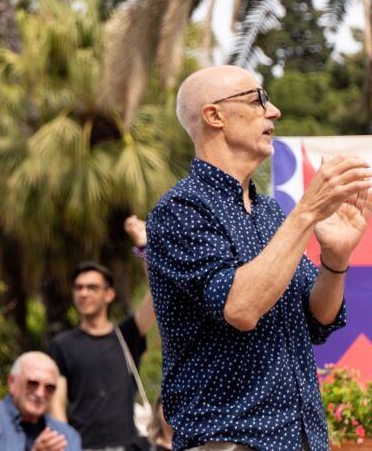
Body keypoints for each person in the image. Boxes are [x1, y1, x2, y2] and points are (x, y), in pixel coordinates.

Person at [147, 65, 372, 450]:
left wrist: (335, 259)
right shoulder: (181, 209)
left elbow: (317, 321)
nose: (273, 111)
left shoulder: (269, 212)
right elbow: (240, 306)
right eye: (257, 100)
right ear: (214, 116)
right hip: (231, 441)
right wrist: (306, 212)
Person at [48, 218, 154, 451]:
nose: (84, 293)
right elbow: (56, 403)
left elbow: (157, 296)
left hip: (129, 446)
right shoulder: (62, 344)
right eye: (79, 287)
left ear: (109, 294)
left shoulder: (127, 334)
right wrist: (66, 445)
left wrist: (144, 248)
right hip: (84, 446)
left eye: (92, 287)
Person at [0, 352, 82, 451]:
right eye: (32, 383)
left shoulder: (67, 435)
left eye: (49, 387)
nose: (40, 393)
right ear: (12, 382)